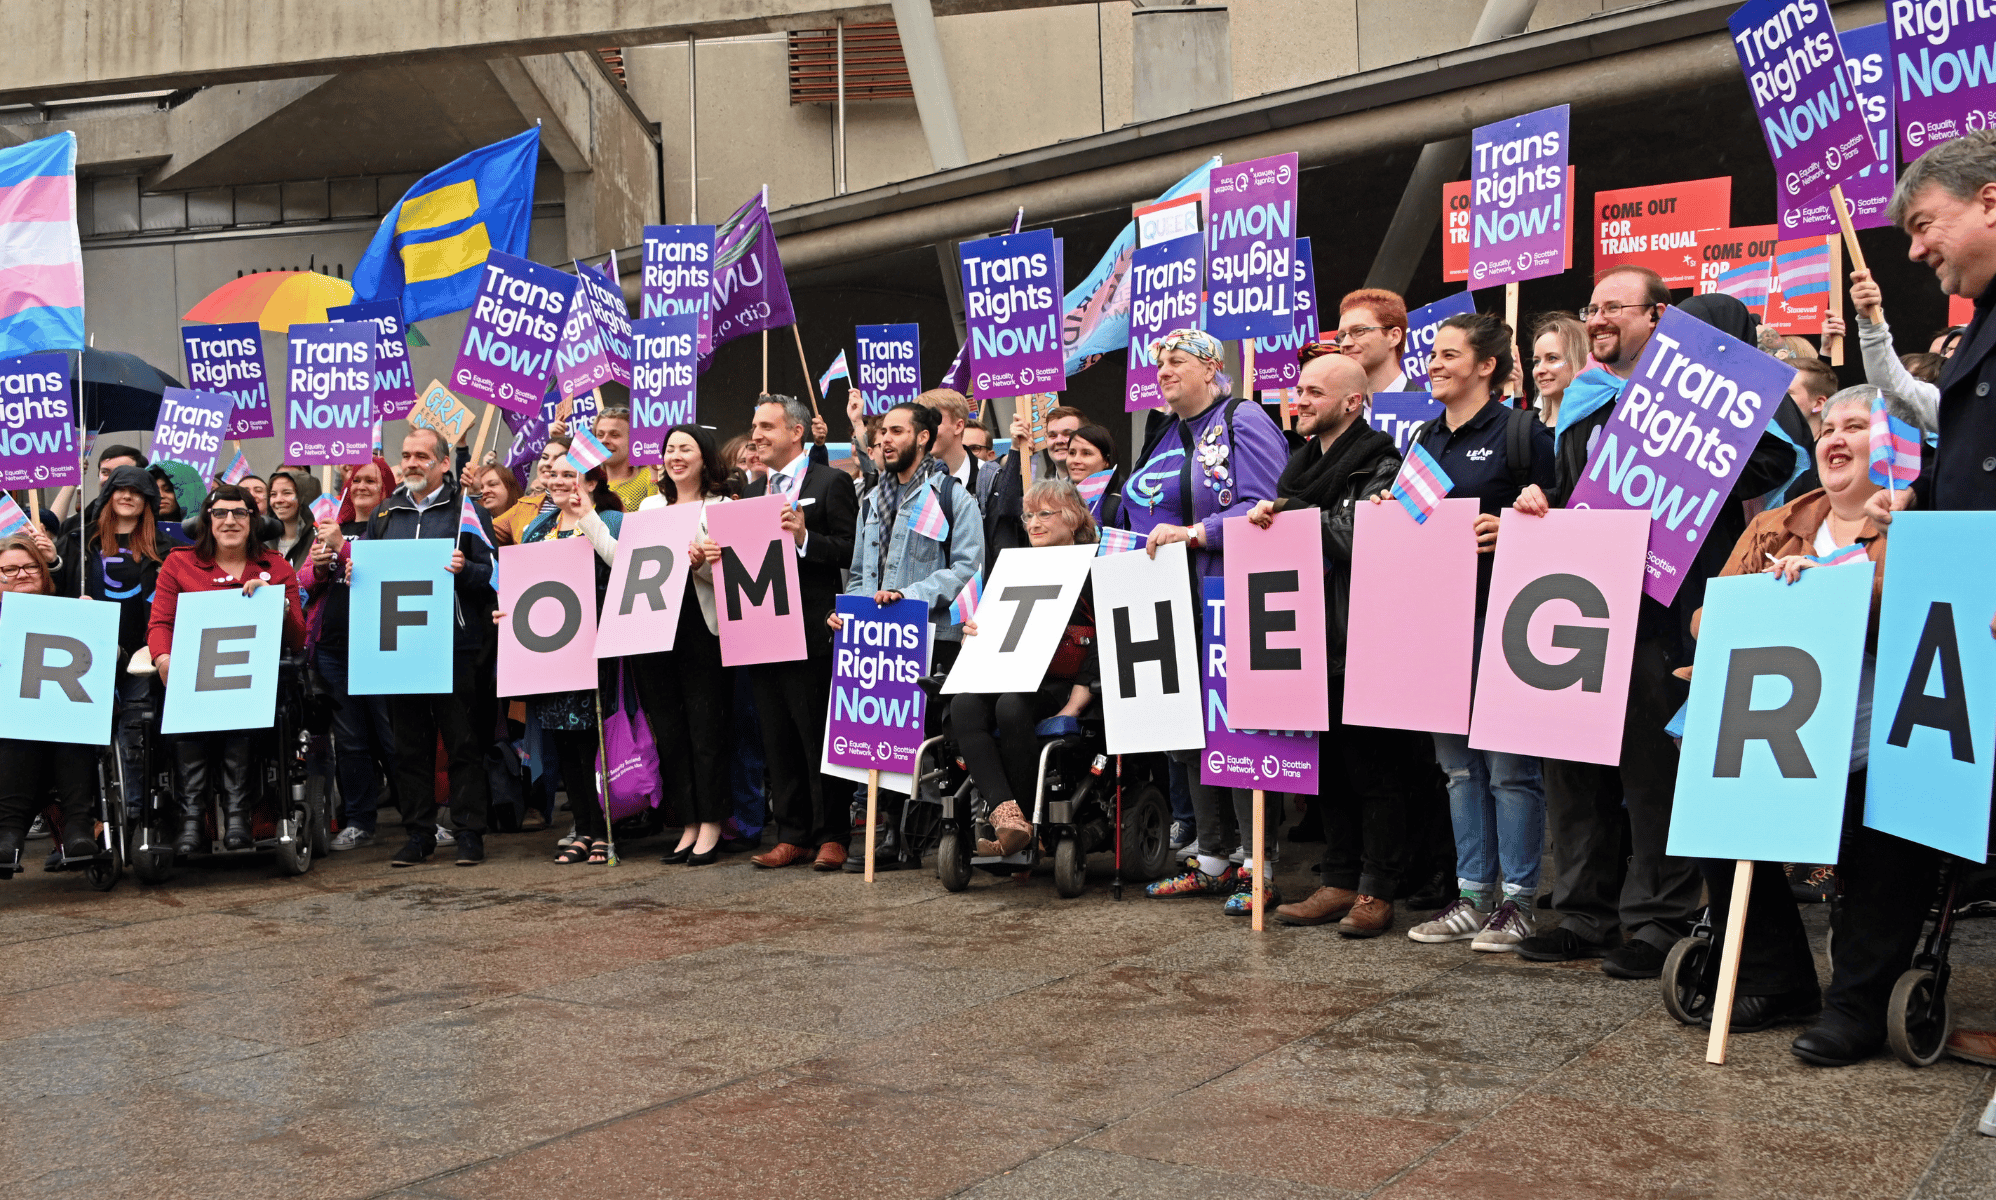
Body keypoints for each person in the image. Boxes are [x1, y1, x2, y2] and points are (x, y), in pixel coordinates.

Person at [1512, 272, 1800, 978]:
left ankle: (1656, 921)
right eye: (1593, 308)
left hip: (1664, 611)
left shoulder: (1709, 396)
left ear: (1660, 317)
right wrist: (1540, 501)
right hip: (1584, 601)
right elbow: (1576, 491)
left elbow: (1777, 456)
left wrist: (1695, 449)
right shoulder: (1581, 401)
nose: (1599, 318)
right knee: (1574, 763)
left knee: (1651, 773)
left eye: (1614, 307)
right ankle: (1583, 912)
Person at [1683, 385, 1921, 1058]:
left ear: (1896, 448)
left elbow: (1920, 610)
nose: (1834, 438)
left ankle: (1858, 1005)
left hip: (1880, 739)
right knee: (1721, 827)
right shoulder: (1776, 524)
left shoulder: (1916, 525)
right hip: (1778, 729)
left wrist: (1830, 584)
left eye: (1856, 426)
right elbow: (1708, 619)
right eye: (1827, 426)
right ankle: (1776, 977)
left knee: (1888, 855)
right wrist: (1767, 596)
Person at [1361, 312, 1552, 950]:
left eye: (1448, 354)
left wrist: (1519, 525)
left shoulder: (1523, 432)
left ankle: (1519, 902)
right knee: (1460, 771)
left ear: (1486, 365)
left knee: (1510, 770)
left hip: (1506, 624)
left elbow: (1568, 518)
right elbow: (1418, 521)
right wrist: (1394, 514)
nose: (1434, 364)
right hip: (1438, 625)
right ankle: (1473, 897)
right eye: (1433, 355)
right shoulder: (1425, 438)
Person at [1868, 130, 1996, 1068]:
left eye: (1924, 224)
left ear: (1988, 201)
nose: (1916, 250)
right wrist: (1923, 497)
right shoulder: (1980, 328)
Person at [1250, 352, 1430, 937]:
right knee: (1326, 770)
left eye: (1314, 392)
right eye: (1299, 389)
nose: (1298, 400)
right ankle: (1339, 878)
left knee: (1374, 770)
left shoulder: (1382, 461)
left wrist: (1290, 515)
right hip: (1309, 638)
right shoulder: (1298, 466)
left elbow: (1361, 538)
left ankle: (1378, 890)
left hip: (1363, 639)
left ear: (1353, 401)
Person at [1121, 328, 1289, 915]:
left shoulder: (1242, 417)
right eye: (1158, 362)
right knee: (1185, 731)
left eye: (1176, 361)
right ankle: (1212, 856)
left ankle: (1257, 861)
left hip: (1225, 591)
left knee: (1234, 727)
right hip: (1163, 600)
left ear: (1212, 368)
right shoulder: (1162, 431)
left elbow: (1270, 502)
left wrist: (1199, 533)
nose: (1163, 370)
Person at [835, 400, 983, 870]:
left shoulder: (950, 497)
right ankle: (888, 838)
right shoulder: (872, 499)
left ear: (922, 437)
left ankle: (937, 833)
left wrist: (909, 594)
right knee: (883, 733)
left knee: (930, 739)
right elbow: (860, 571)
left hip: (933, 635)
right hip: (878, 638)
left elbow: (968, 567)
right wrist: (852, 613)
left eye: (896, 431)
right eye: (881, 433)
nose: (884, 440)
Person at [147, 484, 306, 855]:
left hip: (252, 682)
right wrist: (163, 659)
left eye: (240, 512)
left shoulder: (275, 567)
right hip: (194, 678)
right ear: (207, 520)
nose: (230, 520)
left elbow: (298, 640)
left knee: (242, 713)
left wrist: (276, 604)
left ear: (254, 520)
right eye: (220, 513)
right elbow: (160, 624)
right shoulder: (179, 563)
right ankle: (191, 818)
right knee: (185, 713)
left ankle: (239, 815)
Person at [737, 396, 861, 871]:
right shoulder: (749, 494)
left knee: (814, 733)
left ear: (796, 431)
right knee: (778, 736)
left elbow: (851, 551)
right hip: (761, 629)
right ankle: (792, 834)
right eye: (754, 425)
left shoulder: (831, 482)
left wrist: (806, 537)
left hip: (812, 630)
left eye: (766, 425)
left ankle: (833, 834)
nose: (757, 435)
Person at [366, 428, 497, 867]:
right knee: (409, 747)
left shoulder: (467, 512)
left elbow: (495, 576)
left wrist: (467, 571)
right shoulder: (385, 514)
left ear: (444, 463)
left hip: (454, 645)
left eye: (422, 455)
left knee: (462, 743)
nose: (411, 462)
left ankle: (469, 833)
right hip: (399, 645)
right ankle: (418, 833)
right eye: (406, 455)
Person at [946, 478, 1098, 855]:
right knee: (963, 704)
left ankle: (1029, 816)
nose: (1033, 523)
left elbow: (1102, 644)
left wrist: (1075, 705)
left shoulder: (1093, 571)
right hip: (1011, 673)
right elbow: (996, 629)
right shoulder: (1013, 567)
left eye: (1045, 514)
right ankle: (1008, 817)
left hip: (1059, 684)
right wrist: (975, 633)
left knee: (1011, 706)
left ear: (1075, 518)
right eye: (1028, 516)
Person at [506, 447, 623, 865]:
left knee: (595, 744)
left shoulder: (610, 520)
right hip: (552, 654)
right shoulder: (538, 528)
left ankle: (607, 831)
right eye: (552, 474)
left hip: (595, 653)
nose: (557, 481)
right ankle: (584, 830)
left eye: (568, 475)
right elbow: (524, 586)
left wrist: (587, 514)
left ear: (591, 482)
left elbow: (621, 569)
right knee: (566, 745)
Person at [633, 425, 736, 865]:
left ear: (704, 457)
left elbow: (738, 580)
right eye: (670, 449)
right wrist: (588, 518)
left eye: (685, 449)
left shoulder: (724, 507)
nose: (676, 456)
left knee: (706, 729)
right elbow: (628, 565)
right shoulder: (650, 507)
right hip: (656, 626)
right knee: (671, 733)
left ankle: (713, 822)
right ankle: (689, 821)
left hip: (703, 628)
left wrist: (700, 567)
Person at [53, 465, 177, 814]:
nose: (127, 496)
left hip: (139, 656)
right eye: (120, 489)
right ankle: (88, 819)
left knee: (135, 736)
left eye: (136, 491)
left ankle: (136, 816)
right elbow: (52, 586)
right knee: (82, 740)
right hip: (85, 654)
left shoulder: (165, 549)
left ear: (147, 501)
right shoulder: (79, 540)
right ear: (108, 495)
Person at [304, 456, 401, 851]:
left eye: (369, 480)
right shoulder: (332, 528)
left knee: (393, 737)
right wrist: (320, 567)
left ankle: (418, 817)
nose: (359, 485)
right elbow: (304, 584)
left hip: (381, 646)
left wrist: (343, 549)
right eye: (354, 479)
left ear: (385, 488)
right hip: (334, 650)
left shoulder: (394, 527)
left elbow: (389, 573)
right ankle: (360, 820)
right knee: (350, 741)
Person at [0, 534, 100, 867]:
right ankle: (10, 833)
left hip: (66, 714)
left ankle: (78, 827)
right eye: (9, 570)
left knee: (70, 727)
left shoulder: (70, 609)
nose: (22, 574)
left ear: (45, 573)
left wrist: (92, 624)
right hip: (11, 719)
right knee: (20, 729)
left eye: (30, 566)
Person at [1334, 288, 1411, 393]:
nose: (1345, 343)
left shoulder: (1431, 408)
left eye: (1359, 331)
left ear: (1394, 336)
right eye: (1342, 336)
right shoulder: (1345, 408)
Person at [587, 408, 656, 513]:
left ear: (633, 440)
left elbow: (656, 518)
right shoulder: (587, 483)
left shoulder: (650, 476)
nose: (605, 440)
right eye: (600, 435)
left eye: (614, 435)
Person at [1530, 312, 1588, 429]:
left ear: (1578, 359)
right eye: (1536, 361)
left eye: (1552, 358)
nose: (1539, 370)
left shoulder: (1596, 426)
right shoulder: (1531, 427)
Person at [1062, 424, 1122, 525]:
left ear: (1106, 461)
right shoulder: (1054, 502)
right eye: (1072, 453)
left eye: (1086, 453)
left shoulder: (1118, 507)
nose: (1075, 460)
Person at [265, 471, 321, 570]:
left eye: (287, 493)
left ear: (305, 497)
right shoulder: (263, 541)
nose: (278, 500)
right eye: (273, 494)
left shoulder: (319, 539)